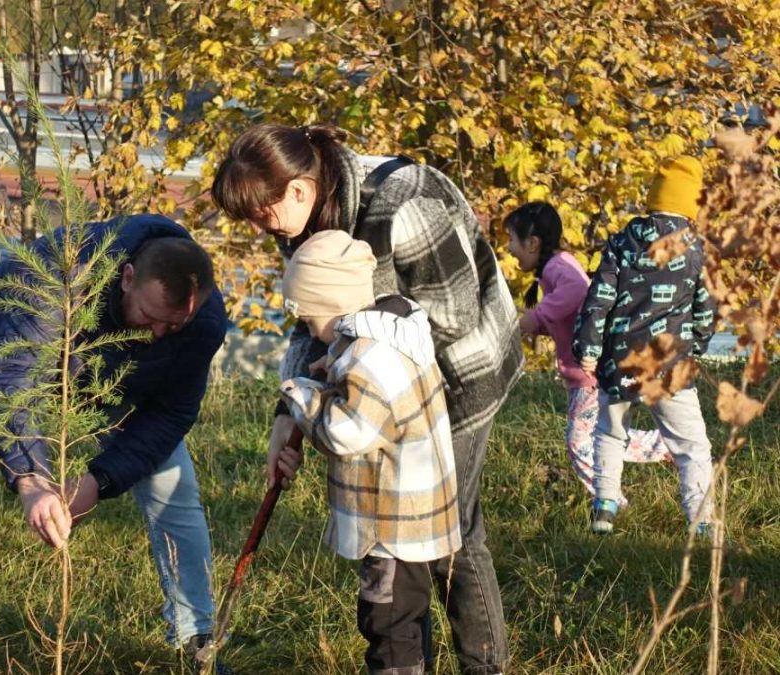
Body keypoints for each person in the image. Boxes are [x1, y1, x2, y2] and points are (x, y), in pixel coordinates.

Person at [213, 123, 522, 675]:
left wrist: (356, 350)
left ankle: (486, 665)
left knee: (451, 530)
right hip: (377, 378)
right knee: (402, 541)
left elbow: (453, 317)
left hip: (458, 373)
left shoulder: (406, 204)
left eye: (262, 214)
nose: (262, 229)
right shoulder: (302, 221)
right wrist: (289, 414)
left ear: (299, 190)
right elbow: (313, 321)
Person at [0, 215, 230, 674]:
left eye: (172, 326)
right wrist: (33, 480)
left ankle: (197, 642)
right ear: (126, 279)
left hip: (109, 385)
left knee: (176, 497)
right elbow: (14, 382)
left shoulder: (202, 320)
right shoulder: (62, 282)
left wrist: (97, 482)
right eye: (149, 318)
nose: (157, 334)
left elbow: (169, 416)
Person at [277, 230, 461, 675]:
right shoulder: (390, 333)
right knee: (403, 615)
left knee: (387, 622)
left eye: (309, 319)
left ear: (335, 304)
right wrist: (336, 363)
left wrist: (303, 395)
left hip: (392, 524)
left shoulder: (370, 359)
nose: (308, 331)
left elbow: (347, 433)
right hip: (411, 517)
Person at [571, 156, 717, 535]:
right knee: (691, 446)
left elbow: (599, 297)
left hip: (619, 362)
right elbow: (706, 307)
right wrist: (697, 346)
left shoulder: (622, 240)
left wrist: (587, 348)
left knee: (609, 432)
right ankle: (700, 522)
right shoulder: (695, 249)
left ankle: (604, 505)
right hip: (669, 367)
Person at [504, 201, 671, 504]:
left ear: (532, 242)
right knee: (600, 435)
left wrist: (537, 316)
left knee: (580, 443)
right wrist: (537, 323)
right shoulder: (554, 267)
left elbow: (576, 292)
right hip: (585, 373)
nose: (508, 248)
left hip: (589, 372)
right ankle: (665, 446)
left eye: (511, 240)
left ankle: (612, 501)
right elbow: (570, 315)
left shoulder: (558, 267)